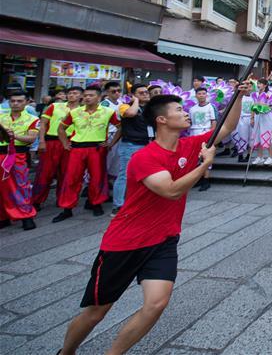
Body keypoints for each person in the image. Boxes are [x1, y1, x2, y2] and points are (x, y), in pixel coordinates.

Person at [58, 83, 248, 355]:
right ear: (161, 120)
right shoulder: (144, 157)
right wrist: (204, 165)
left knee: (156, 304)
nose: (186, 113)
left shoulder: (190, 144)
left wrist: (239, 95)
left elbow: (226, 128)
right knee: (97, 311)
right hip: (125, 243)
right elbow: (171, 190)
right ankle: (66, 352)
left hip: (164, 240)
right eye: (180, 110)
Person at [54, 85, 120, 221]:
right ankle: (67, 208)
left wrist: (111, 143)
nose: (87, 98)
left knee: (97, 178)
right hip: (77, 149)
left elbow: (120, 127)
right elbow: (61, 129)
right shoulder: (75, 112)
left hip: (97, 149)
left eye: (91, 95)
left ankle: (96, 204)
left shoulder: (108, 112)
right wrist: (65, 143)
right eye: (86, 95)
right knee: (72, 178)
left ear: (99, 97)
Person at [34, 86, 82, 209]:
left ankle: (62, 200)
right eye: (70, 93)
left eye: (75, 93)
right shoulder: (55, 106)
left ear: (81, 96)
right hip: (51, 142)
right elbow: (43, 124)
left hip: (70, 143)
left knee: (66, 173)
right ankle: (36, 200)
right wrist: (42, 141)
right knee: (45, 172)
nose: (72, 95)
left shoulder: (83, 110)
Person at [110, 84, 152, 215]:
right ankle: (118, 205)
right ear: (133, 95)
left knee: (145, 175)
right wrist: (136, 101)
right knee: (124, 175)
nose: (145, 94)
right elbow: (131, 113)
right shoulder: (124, 106)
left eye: (146, 92)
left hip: (147, 145)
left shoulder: (150, 109)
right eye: (141, 93)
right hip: (130, 146)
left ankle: (139, 201)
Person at [0, 89, 38, 231]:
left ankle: (26, 216)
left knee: (21, 186)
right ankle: (3, 217)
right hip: (1, 154)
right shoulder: (1, 116)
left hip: (18, 155)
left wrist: (14, 136)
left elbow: (32, 138)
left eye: (19, 101)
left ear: (27, 102)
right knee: (1, 187)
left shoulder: (32, 119)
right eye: (13, 101)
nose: (15, 103)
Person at [188, 87, 216, 191]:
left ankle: (206, 180)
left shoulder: (210, 107)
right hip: (194, 133)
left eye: (203, 93)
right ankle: (198, 179)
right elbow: (189, 122)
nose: (201, 95)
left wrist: (212, 135)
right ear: (196, 95)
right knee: (195, 157)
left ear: (206, 95)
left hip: (206, 133)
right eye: (199, 94)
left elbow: (214, 121)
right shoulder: (192, 109)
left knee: (206, 157)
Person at [250, 79, 272, 166]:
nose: (258, 85)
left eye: (260, 83)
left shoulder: (269, 94)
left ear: (265, 85)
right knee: (257, 136)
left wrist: (263, 107)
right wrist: (252, 118)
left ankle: (271, 157)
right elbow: (253, 106)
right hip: (258, 117)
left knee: (267, 136)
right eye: (258, 83)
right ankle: (260, 156)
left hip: (266, 118)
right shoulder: (254, 94)